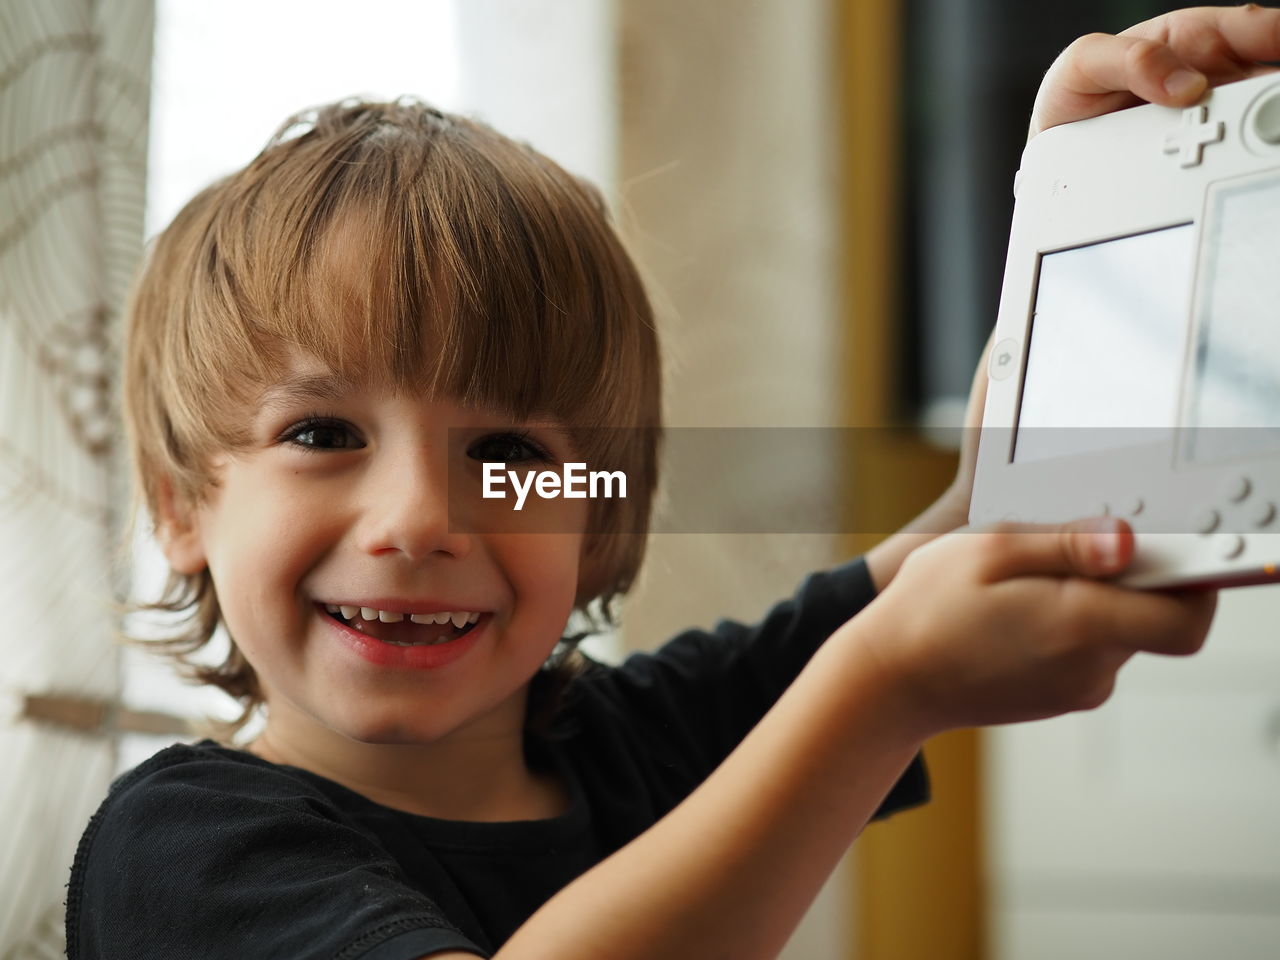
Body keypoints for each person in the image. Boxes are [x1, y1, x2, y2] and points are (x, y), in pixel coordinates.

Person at [65, 6, 1276, 959]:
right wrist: (878, 688)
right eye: (323, 435)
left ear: (595, 510)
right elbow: (870, 658)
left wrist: (1088, 190)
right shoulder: (182, 847)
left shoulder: (622, 740)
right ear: (180, 506)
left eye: (510, 454)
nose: (418, 520)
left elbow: (971, 530)